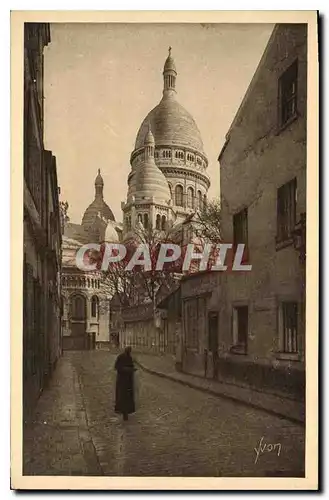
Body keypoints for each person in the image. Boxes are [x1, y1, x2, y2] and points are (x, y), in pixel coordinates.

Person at [114, 346, 136, 421]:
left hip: (128, 381)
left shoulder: (130, 358)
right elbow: (117, 367)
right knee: (122, 396)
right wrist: (127, 369)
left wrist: (132, 369)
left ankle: (127, 412)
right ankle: (123, 412)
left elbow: (131, 366)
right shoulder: (120, 357)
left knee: (128, 397)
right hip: (122, 381)